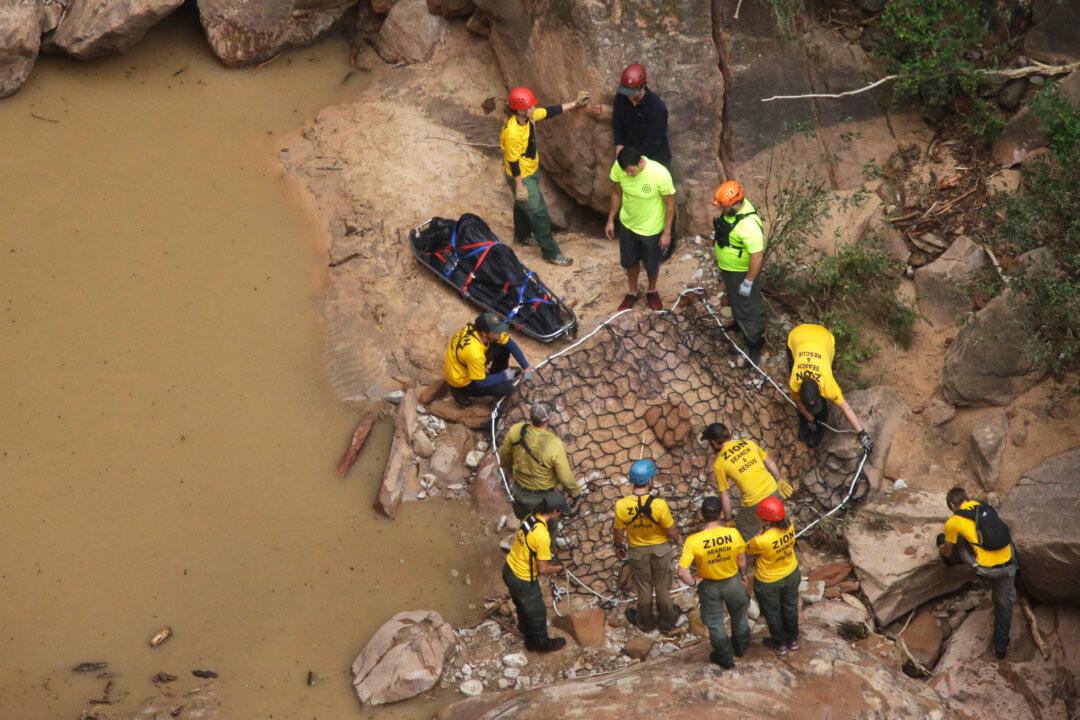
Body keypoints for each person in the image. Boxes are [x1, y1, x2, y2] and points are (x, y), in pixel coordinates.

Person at [500, 85, 590, 267]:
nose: (534, 109)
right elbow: (513, 161)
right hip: (521, 176)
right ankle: (551, 253)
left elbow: (550, 111)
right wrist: (520, 186)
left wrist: (575, 103)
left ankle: (522, 235)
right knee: (538, 212)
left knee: (522, 205)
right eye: (530, 106)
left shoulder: (528, 117)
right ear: (519, 109)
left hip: (531, 170)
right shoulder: (512, 133)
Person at [937, 487, 1017, 660]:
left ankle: (970, 566)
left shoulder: (953, 521)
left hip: (986, 569)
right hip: (1009, 565)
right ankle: (1000, 648)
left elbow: (948, 552)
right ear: (967, 498)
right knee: (1004, 605)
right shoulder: (986, 508)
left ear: (952, 504)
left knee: (951, 542)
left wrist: (941, 548)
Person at [676, 496, 751, 669]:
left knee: (715, 622)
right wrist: (744, 574)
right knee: (739, 614)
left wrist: (693, 582)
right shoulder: (733, 533)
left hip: (709, 585)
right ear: (720, 514)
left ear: (702, 515)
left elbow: (681, 571)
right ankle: (740, 647)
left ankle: (725, 657)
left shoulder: (694, 541)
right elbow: (741, 560)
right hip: (733, 581)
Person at [612, 459, 683, 633]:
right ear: (650, 480)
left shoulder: (621, 505)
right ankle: (667, 621)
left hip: (637, 551)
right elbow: (671, 529)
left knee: (643, 587)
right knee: (662, 585)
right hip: (660, 550)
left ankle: (645, 622)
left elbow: (618, 531)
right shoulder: (659, 505)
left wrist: (618, 546)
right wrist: (678, 540)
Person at [499, 401, 582, 547]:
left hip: (519, 491)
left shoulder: (517, 430)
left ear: (530, 417)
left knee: (526, 521)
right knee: (549, 528)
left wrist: (509, 470)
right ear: (548, 420)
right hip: (542, 498)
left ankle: (526, 544)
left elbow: (505, 456)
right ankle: (546, 554)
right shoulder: (554, 444)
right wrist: (575, 492)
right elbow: (565, 477)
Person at [605, 147, 676, 312]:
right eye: (626, 172)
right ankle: (632, 292)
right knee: (629, 261)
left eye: (631, 171)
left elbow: (670, 205)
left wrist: (667, 232)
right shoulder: (620, 167)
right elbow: (616, 193)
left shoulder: (659, 174)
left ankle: (652, 291)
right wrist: (610, 220)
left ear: (640, 162)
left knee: (651, 264)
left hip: (651, 228)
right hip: (628, 224)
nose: (628, 175)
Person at [786, 323, 874, 453]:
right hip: (797, 335)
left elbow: (846, 407)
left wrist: (862, 434)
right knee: (794, 367)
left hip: (824, 338)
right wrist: (810, 420)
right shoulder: (794, 381)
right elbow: (797, 401)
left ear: (821, 390)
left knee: (825, 366)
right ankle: (806, 421)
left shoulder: (828, 384)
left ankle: (820, 418)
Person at [701, 422, 793, 542]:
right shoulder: (748, 443)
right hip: (774, 490)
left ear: (713, 442)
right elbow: (770, 463)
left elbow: (725, 497)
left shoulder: (719, 464)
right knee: (775, 522)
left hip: (754, 503)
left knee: (742, 532)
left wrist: (728, 519)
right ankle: (779, 544)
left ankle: (754, 554)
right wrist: (779, 480)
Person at [502, 495, 569, 653]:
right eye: (560, 513)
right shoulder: (542, 535)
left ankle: (526, 632)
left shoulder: (530, 517)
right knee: (537, 612)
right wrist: (560, 569)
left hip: (509, 569)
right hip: (523, 579)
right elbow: (543, 569)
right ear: (554, 511)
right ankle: (541, 645)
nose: (560, 516)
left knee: (521, 605)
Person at [712, 180, 766, 367]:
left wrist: (748, 282)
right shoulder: (732, 211)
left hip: (742, 273)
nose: (721, 210)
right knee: (736, 301)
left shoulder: (749, 226)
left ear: (735, 203)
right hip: (729, 270)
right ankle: (739, 325)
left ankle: (754, 344)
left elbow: (757, 256)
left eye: (723, 206)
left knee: (748, 308)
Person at [746, 496, 801, 656]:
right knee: (790, 607)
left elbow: (749, 549)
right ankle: (793, 640)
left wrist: (759, 533)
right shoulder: (789, 526)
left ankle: (779, 644)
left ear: (765, 518)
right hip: (791, 572)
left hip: (769, 581)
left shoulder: (762, 540)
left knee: (772, 612)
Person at [444, 312, 529, 407]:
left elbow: (510, 344)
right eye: (497, 331)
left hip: (467, 363)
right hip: (460, 380)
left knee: (503, 347)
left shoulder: (478, 329)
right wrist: (505, 376)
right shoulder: (474, 352)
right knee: (507, 388)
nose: (500, 332)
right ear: (484, 333)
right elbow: (482, 382)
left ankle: (496, 373)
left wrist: (526, 366)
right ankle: (459, 392)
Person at [612, 63, 672, 170]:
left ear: (642, 87)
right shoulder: (621, 98)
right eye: (625, 90)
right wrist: (619, 145)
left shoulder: (656, 107)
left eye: (631, 91)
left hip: (654, 160)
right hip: (630, 159)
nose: (628, 95)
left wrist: (631, 160)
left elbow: (653, 142)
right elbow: (617, 124)